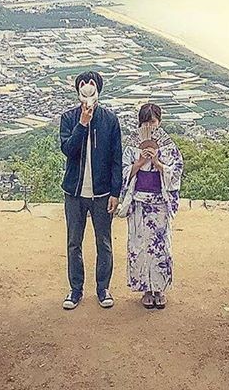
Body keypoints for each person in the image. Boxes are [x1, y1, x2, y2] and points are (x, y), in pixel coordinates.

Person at [59, 70, 123, 310]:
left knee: (103, 241)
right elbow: (68, 150)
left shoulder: (110, 120)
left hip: (102, 192)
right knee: (74, 242)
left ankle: (102, 287)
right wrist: (82, 123)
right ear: (77, 91)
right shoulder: (68, 118)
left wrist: (115, 192)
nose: (87, 90)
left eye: (91, 86)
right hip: (74, 192)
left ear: (99, 90)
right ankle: (76, 290)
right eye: (83, 86)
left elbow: (117, 159)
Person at [120, 103, 183, 309]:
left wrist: (158, 164)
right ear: (140, 125)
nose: (149, 126)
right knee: (139, 247)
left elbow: (176, 172)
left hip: (159, 204)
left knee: (161, 246)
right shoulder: (132, 147)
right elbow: (122, 173)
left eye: (153, 122)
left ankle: (160, 288)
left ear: (159, 122)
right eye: (145, 123)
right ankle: (146, 289)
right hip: (138, 202)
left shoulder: (168, 147)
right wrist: (138, 163)